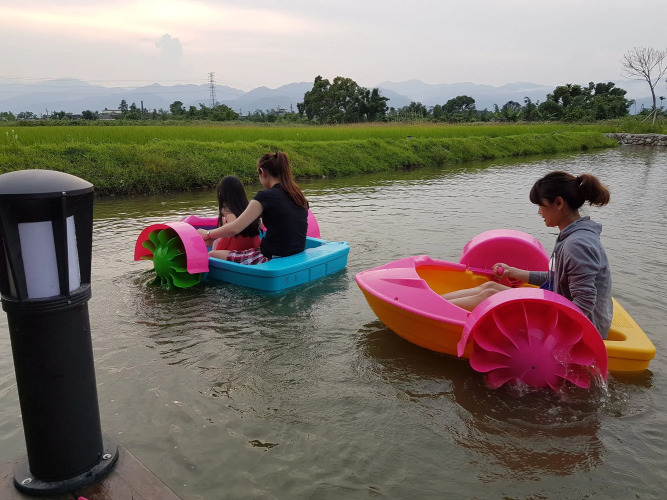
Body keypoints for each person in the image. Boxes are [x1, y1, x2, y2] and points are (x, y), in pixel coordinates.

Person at [442, 171, 613, 339]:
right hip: (567, 312)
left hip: (585, 328)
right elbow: (556, 278)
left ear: (558, 203)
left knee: (489, 295)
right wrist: (512, 272)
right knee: (490, 287)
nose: (539, 212)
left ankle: (435, 312)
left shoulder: (577, 244)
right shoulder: (573, 236)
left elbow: (584, 302)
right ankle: (435, 302)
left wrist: (552, 336)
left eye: (541, 205)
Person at [198, 151, 308, 265]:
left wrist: (208, 233)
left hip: (271, 257)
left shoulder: (265, 197)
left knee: (213, 254)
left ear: (262, 172)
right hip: (296, 254)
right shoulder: (298, 195)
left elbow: (235, 228)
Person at [207, 175, 262, 259]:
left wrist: (212, 233)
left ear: (221, 193)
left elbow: (232, 224)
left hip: (234, 247)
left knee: (210, 247)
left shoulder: (227, 209)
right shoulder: (249, 206)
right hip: (252, 245)